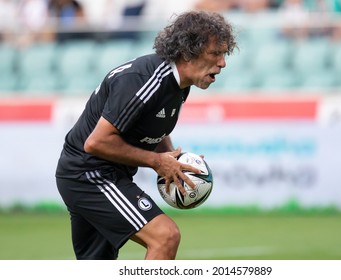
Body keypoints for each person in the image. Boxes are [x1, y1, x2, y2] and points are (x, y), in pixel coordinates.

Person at [55, 10, 237, 260]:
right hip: (89, 175)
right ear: (188, 52)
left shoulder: (178, 85)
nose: (223, 63)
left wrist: (174, 162)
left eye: (224, 54)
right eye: (215, 53)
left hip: (100, 174)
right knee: (165, 236)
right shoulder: (144, 80)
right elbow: (96, 143)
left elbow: (153, 129)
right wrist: (157, 162)